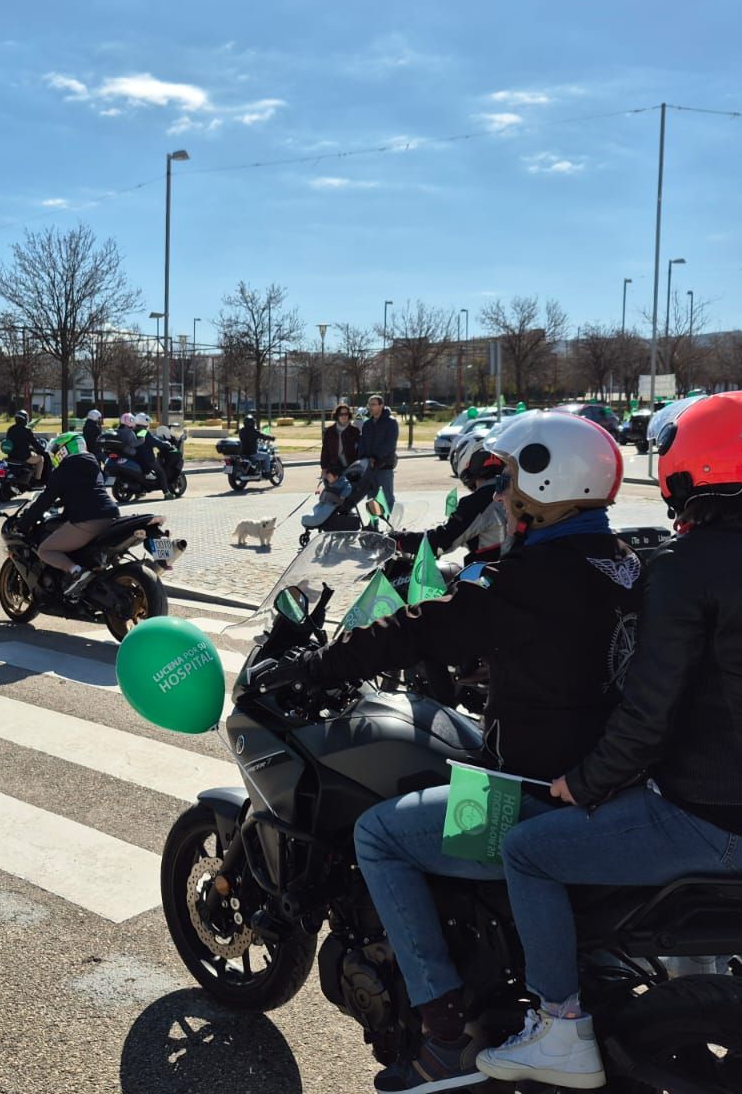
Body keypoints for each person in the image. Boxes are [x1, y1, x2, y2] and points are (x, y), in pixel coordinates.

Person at [257, 413, 641, 1093]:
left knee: (379, 835)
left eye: (510, 482)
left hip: (528, 796)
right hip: (608, 789)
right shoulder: (626, 564)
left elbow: (424, 627)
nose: (500, 496)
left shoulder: (529, 577)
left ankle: (442, 1033)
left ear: (547, 484)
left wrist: (319, 665)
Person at [473, 391, 742, 1089]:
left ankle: (558, 1029)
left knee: (527, 853)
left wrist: (583, 782)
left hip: (710, 817)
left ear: (687, 466)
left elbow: (648, 712)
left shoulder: (681, 568)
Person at [15, 431, 120, 597]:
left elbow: (45, 500)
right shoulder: (93, 464)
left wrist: (23, 524)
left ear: (64, 449)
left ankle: (76, 572)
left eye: (57, 449)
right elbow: (82, 491)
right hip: (111, 516)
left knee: (45, 550)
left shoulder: (65, 468)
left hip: (87, 520)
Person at [390, 434, 505, 566]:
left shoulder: (477, 502)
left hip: (488, 576)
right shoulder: (511, 491)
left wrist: (396, 539)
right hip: (508, 570)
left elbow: (441, 542)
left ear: (467, 459)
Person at [358, 395, 400, 508]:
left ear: (381, 406)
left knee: (388, 498)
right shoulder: (367, 424)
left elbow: (390, 444)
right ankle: (373, 524)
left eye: (373, 404)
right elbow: (363, 443)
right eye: (369, 405)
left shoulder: (391, 422)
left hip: (384, 466)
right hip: (369, 467)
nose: (370, 407)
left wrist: (375, 457)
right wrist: (365, 458)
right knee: (371, 498)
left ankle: (391, 524)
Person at [4, 409, 47, 485]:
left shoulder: (10, 429)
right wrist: (43, 449)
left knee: (33, 454)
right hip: (24, 457)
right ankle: (37, 480)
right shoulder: (26, 430)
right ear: (25, 419)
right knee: (41, 459)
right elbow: (35, 444)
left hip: (11, 457)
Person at [319, 403, 361, 473]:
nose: (344, 416)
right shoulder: (329, 431)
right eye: (341, 414)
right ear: (337, 415)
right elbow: (325, 451)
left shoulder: (354, 431)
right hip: (334, 468)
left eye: (346, 414)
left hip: (351, 468)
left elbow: (360, 449)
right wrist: (324, 468)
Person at [237, 413, 275, 477]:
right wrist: (271, 438)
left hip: (243, 453)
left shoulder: (241, 431)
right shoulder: (253, 431)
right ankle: (267, 473)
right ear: (252, 423)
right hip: (252, 453)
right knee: (267, 456)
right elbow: (262, 436)